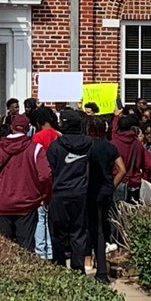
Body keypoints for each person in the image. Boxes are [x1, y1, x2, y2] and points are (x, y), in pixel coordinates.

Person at [0, 114, 52, 250]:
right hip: (27, 204)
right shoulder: (35, 149)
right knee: (25, 248)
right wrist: (45, 195)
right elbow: (45, 175)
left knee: (4, 248)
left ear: (11, 127)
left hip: (3, 203)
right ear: (28, 129)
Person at [46, 109, 93, 271]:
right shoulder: (89, 144)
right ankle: (78, 268)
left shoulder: (55, 146)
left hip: (59, 194)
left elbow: (49, 171)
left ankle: (59, 266)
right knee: (78, 232)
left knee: (58, 233)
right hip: (81, 193)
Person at [86, 116, 126, 283]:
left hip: (91, 192)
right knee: (102, 228)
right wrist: (112, 185)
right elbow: (122, 170)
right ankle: (101, 268)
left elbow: (86, 170)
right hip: (106, 191)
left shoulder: (87, 147)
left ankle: (92, 265)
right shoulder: (111, 147)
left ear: (90, 130)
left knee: (91, 229)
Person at [31, 106, 62, 260]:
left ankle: (41, 253)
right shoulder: (60, 135)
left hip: (42, 181)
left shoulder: (37, 138)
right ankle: (51, 251)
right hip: (58, 180)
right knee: (53, 219)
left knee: (40, 219)